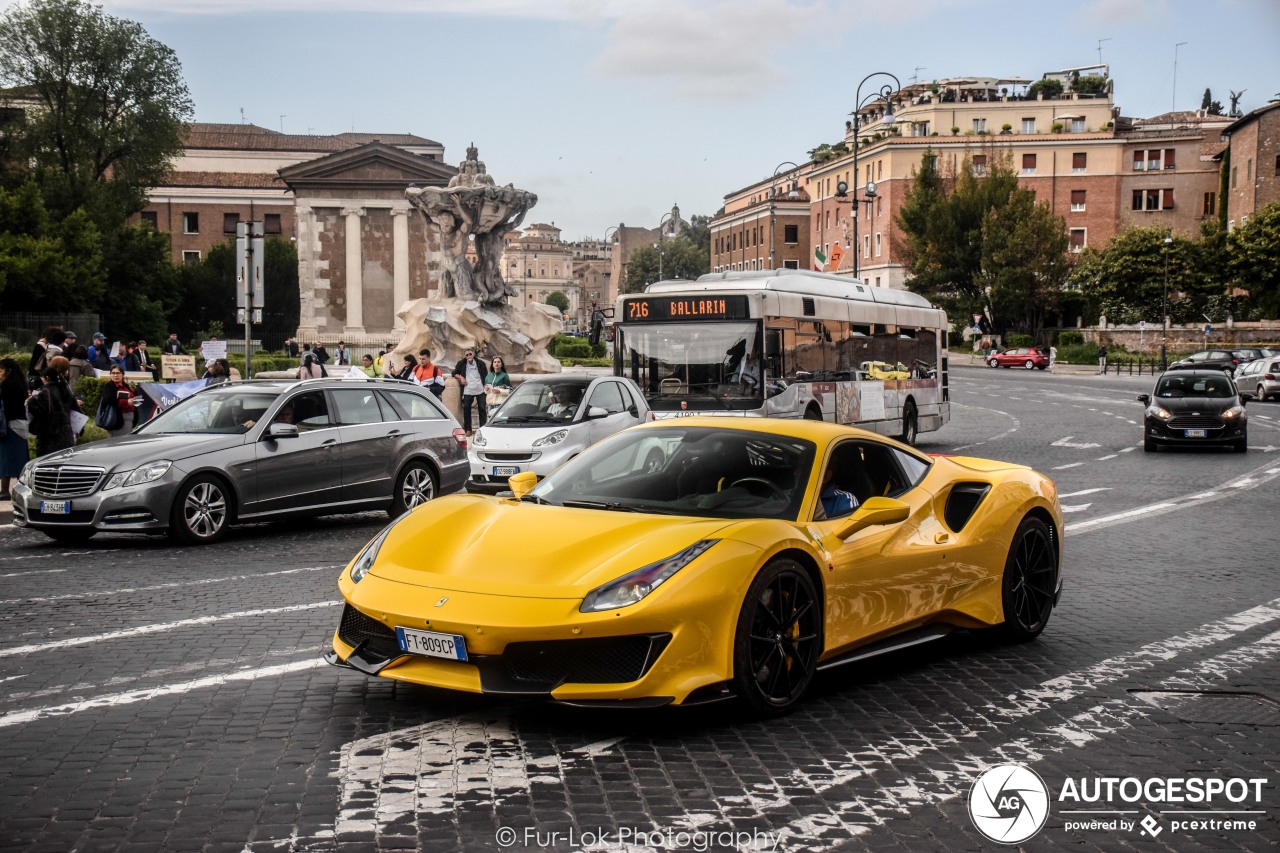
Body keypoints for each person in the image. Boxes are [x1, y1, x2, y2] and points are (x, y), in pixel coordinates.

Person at [27, 366, 76, 457]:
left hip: (51, 434)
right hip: (66, 430)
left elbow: (41, 412)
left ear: (47, 378)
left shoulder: (45, 392)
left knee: (48, 462)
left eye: (42, 377)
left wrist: (31, 402)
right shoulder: (65, 389)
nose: (41, 379)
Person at [0, 358, 31, 499]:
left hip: (9, 425)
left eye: (1, 370)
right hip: (21, 424)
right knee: (20, 458)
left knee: (6, 458)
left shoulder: (7, 385)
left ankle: (5, 491)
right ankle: (22, 490)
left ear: (8, 371)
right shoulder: (20, 383)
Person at [453, 348, 487, 432]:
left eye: (470, 354)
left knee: (482, 409)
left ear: (473, 354)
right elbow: (453, 373)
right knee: (466, 408)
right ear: (465, 356)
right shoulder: (461, 363)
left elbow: (485, 375)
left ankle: (483, 429)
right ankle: (468, 429)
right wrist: (461, 377)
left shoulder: (481, 363)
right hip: (468, 390)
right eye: (467, 355)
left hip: (480, 389)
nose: (469, 356)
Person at [101, 365, 137, 438]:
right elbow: (110, 400)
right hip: (117, 421)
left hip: (129, 420)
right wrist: (126, 402)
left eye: (118, 373)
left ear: (122, 374)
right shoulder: (109, 386)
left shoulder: (126, 385)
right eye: (113, 373)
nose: (115, 375)